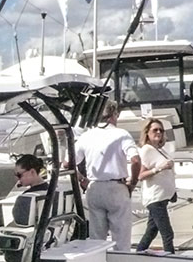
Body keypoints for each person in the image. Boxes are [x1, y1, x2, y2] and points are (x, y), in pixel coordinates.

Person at [74, 100, 141, 251]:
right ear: (114, 115)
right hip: (117, 186)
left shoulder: (86, 136)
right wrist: (132, 183)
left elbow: (67, 163)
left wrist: (82, 179)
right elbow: (136, 160)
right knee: (121, 237)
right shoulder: (122, 135)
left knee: (97, 238)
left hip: (94, 187)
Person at [134, 118, 176, 253]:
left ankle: (139, 253)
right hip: (155, 199)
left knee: (151, 231)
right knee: (167, 233)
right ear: (147, 132)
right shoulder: (146, 150)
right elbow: (140, 175)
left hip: (163, 197)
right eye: (155, 130)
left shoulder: (159, 149)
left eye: (161, 130)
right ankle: (172, 260)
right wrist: (159, 168)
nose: (158, 132)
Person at [10, 153, 47, 226]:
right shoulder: (52, 191)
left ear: (32, 172)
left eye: (19, 175)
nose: (17, 178)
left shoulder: (26, 198)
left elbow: (19, 221)